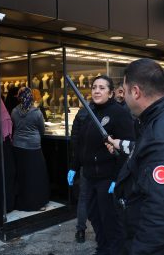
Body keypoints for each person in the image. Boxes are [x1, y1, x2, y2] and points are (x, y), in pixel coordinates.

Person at [106, 59, 164, 254]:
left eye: (124, 91)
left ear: (136, 91)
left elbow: (162, 209)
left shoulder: (162, 133)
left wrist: (140, 250)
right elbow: (149, 151)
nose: (123, 97)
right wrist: (122, 145)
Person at [67, 75, 135, 255]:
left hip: (108, 178)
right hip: (90, 177)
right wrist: (75, 165)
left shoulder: (119, 114)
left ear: (111, 93)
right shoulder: (90, 112)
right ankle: (103, 250)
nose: (97, 91)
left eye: (102, 88)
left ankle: (117, 251)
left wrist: (116, 178)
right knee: (95, 218)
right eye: (94, 87)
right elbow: (84, 144)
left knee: (110, 220)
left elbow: (128, 147)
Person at [11, 87, 50, 211]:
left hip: (17, 146)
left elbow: (14, 126)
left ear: (18, 97)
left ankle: (21, 202)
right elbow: (42, 130)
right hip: (33, 147)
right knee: (36, 175)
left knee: (21, 174)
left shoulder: (14, 111)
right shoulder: (37, 112)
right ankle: (38, 203)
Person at [70, 100, 95, 243]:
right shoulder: (106, 113)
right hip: (102, 163)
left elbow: (74, 140)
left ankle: (80, 231)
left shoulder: (81, 113)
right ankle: (102, 231)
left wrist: (79, 159)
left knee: (83, 197)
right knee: (103, 196)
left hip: (85, 162)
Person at [0, 98, 18, 212]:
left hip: (2, 146)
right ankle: (9, 204)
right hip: (5, 146)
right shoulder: (5, 113)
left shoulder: (14, 111)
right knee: (9, 174)